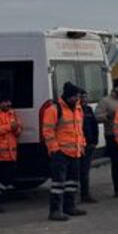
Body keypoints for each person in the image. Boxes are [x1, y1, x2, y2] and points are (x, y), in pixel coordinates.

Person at [41, 82, 88, 221]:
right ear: (67, 96)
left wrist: (82, 145)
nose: (77, 99)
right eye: (74, 96)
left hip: (75, 152)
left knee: (72, 182)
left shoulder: (78, 109)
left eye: (78, 96)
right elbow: (48, 131)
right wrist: (54, 149)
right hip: (60, 153)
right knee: (58, 183)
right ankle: (55, 211)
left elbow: (79, 130)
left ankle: (70, 206)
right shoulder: (54, 109)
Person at [94, 79, 118, 197]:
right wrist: (108, 116)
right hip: (112, 136)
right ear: (114, 88)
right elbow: (97, 116)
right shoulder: (106, 101)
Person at [78, 93, 100, 203]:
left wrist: (94, 141)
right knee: (78, 171)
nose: (84, 99)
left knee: (85, 171)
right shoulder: (75, 111)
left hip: (89, 144)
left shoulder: (88, 110)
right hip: (77, 145)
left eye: (86, 97)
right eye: (82, 97)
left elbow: (94, 125)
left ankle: (85, 194)